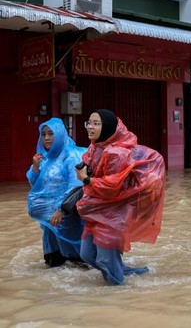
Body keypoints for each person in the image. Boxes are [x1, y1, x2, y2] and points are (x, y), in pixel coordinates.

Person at [75, 109, 166, 285]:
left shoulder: (116, 153)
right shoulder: (95, 147)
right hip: (96, 211)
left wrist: (87, 179)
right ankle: (125, 273)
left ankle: (119, 294)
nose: (90, 127)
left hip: (113, 215)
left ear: (107, 127)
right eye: (89, 122)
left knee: (105, 260)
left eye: (96, 123)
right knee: (87, 254)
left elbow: (112, 187)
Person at [26, 118, 86, 267]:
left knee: (76, 264)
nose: (46, 138)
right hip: (48, 220)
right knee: (54, 264)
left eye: (50, 134)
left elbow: (75, 186)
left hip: (65, 215)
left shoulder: (70, 156)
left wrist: (61, 209)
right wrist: (35, 168)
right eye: (43, 134)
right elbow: (36, 187)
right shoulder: (45, 158)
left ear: (59, 134)